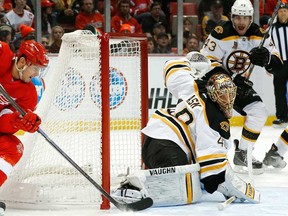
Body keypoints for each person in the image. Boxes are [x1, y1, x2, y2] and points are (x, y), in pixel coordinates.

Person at [111, 52, 260, 206]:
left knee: (194, 177)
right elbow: (212, 174)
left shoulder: (194, 86)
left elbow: (171, 67)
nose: (227, 101)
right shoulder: (216, 120)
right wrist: (234, 189)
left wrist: (192, 62)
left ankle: (143, 177)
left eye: (230, 95)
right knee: (189, 192)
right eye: (222, 96)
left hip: (154, 139)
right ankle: (133, 188)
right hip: (170, 148)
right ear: (213, 95)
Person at [201, 0, 282, 174]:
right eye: (237, 17)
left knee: (259, 111)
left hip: (237, 86)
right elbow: (206, 61)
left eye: (245, 18)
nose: (241, 22)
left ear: (251, 18)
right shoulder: (220, 32)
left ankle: (243, 152)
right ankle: (206, 158)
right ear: (232, 16)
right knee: (211, 123)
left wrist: (266, 59)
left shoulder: (260, 35)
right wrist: (228, 80)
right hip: (216, 84)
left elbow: (278, 66)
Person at [0, 40, 49, 214]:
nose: (36, 74)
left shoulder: (28, 95)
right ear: (21, 62)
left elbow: (2, 123)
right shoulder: (2, 54)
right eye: (35, 68)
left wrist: (18, 121)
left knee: (14, 148)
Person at [268, 3, 288, 127]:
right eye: (281, 11)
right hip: (279, 63)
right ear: (277, 13)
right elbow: (268, 46)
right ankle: (282, 117)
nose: (283, 13)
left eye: (285, 11)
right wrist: (269, 63)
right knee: (279, 91)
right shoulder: (272, 29)